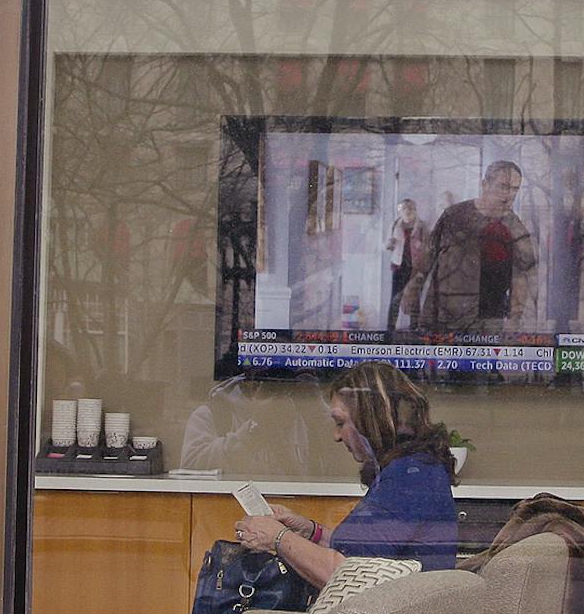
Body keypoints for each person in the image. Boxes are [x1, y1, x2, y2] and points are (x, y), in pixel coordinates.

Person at [230, 360, 462, 587]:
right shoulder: (414, 470)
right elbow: (367, 554)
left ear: (370, 420)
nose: (336, 436)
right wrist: (311, 531)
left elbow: (344, 575)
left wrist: (277, 537)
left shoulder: (408, 480)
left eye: (340, 423)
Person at [402, 160, 538, 332]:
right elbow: (427, 258)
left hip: (487, 322)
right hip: (442, 318)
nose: (509, 195)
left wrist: (514, 320)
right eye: (503, 186)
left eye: (514, 189)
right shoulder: (454, 216)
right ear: (484, 185)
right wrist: (412, 290)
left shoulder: (515, 230)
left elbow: (522, 277)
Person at [385, 197, 426, 330]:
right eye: (404, 209)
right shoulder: (394, 226)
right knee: (396, 297)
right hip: (399, 265)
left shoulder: (422, 227)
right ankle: (390, 327)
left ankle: (414, 326)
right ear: (400, 211)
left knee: (414, 296)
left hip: (415, 267)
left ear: (415, 210)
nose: (408, 211)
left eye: (411, 208)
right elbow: (387, 246)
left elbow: (429, 247)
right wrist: (389, 244)